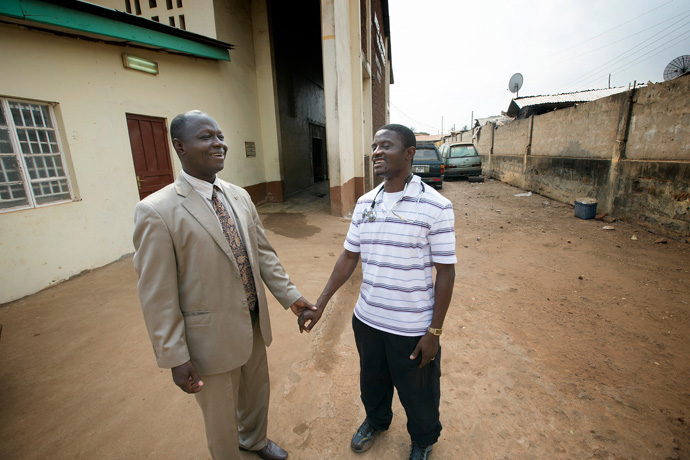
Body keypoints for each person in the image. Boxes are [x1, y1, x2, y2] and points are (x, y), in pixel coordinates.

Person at [133, 110, 315, 460]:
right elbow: (157, 294)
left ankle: (255, 441)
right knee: (220, 420)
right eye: (206, 137)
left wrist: (291, 297)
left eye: (219, 135)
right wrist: (174, 355)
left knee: (256, 394)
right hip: (208, 338)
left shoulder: (238, 196)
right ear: (180, 146)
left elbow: (263, 254)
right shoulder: (156, 210)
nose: (218, 143)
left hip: (252, 323)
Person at [298, 124, 456, 460]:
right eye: (375, 145)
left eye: (387, 145)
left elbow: (446, 271)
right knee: (372, 382)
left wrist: (434, 331)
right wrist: (322, 304)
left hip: (412, 328)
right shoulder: (366, 202)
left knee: (419, 392)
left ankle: (424, 439)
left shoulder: (436, 206)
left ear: (409, 153)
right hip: (367, 320)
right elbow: (349, 256)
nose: (377, 151)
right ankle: (376, 420)